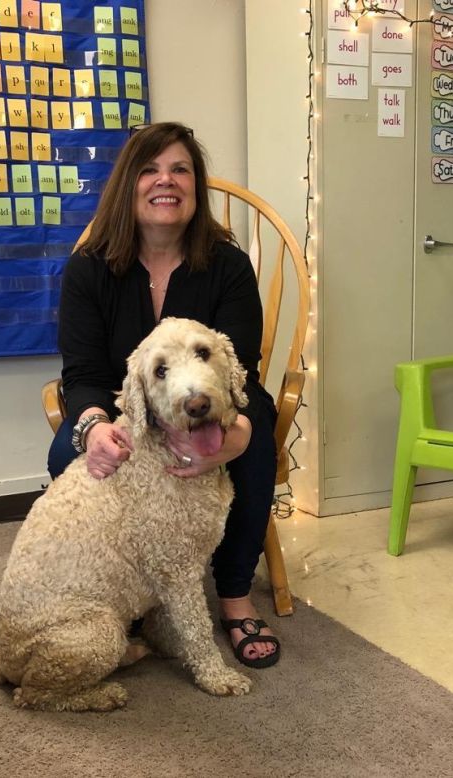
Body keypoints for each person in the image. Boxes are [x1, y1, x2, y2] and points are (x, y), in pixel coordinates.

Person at [47, 121, 280, 668]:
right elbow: (80, 372)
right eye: (149, 169)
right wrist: (94, 427)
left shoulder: (228, 266)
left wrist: (237, 431)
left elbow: (240, 365)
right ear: (129, 185)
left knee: (255, 441)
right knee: (67, 453)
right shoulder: (89, 267)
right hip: (122, 407)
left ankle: (235, 596)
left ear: (195, 186)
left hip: (213, 400)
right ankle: (119, 587)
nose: (165, 181)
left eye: (180, 169)